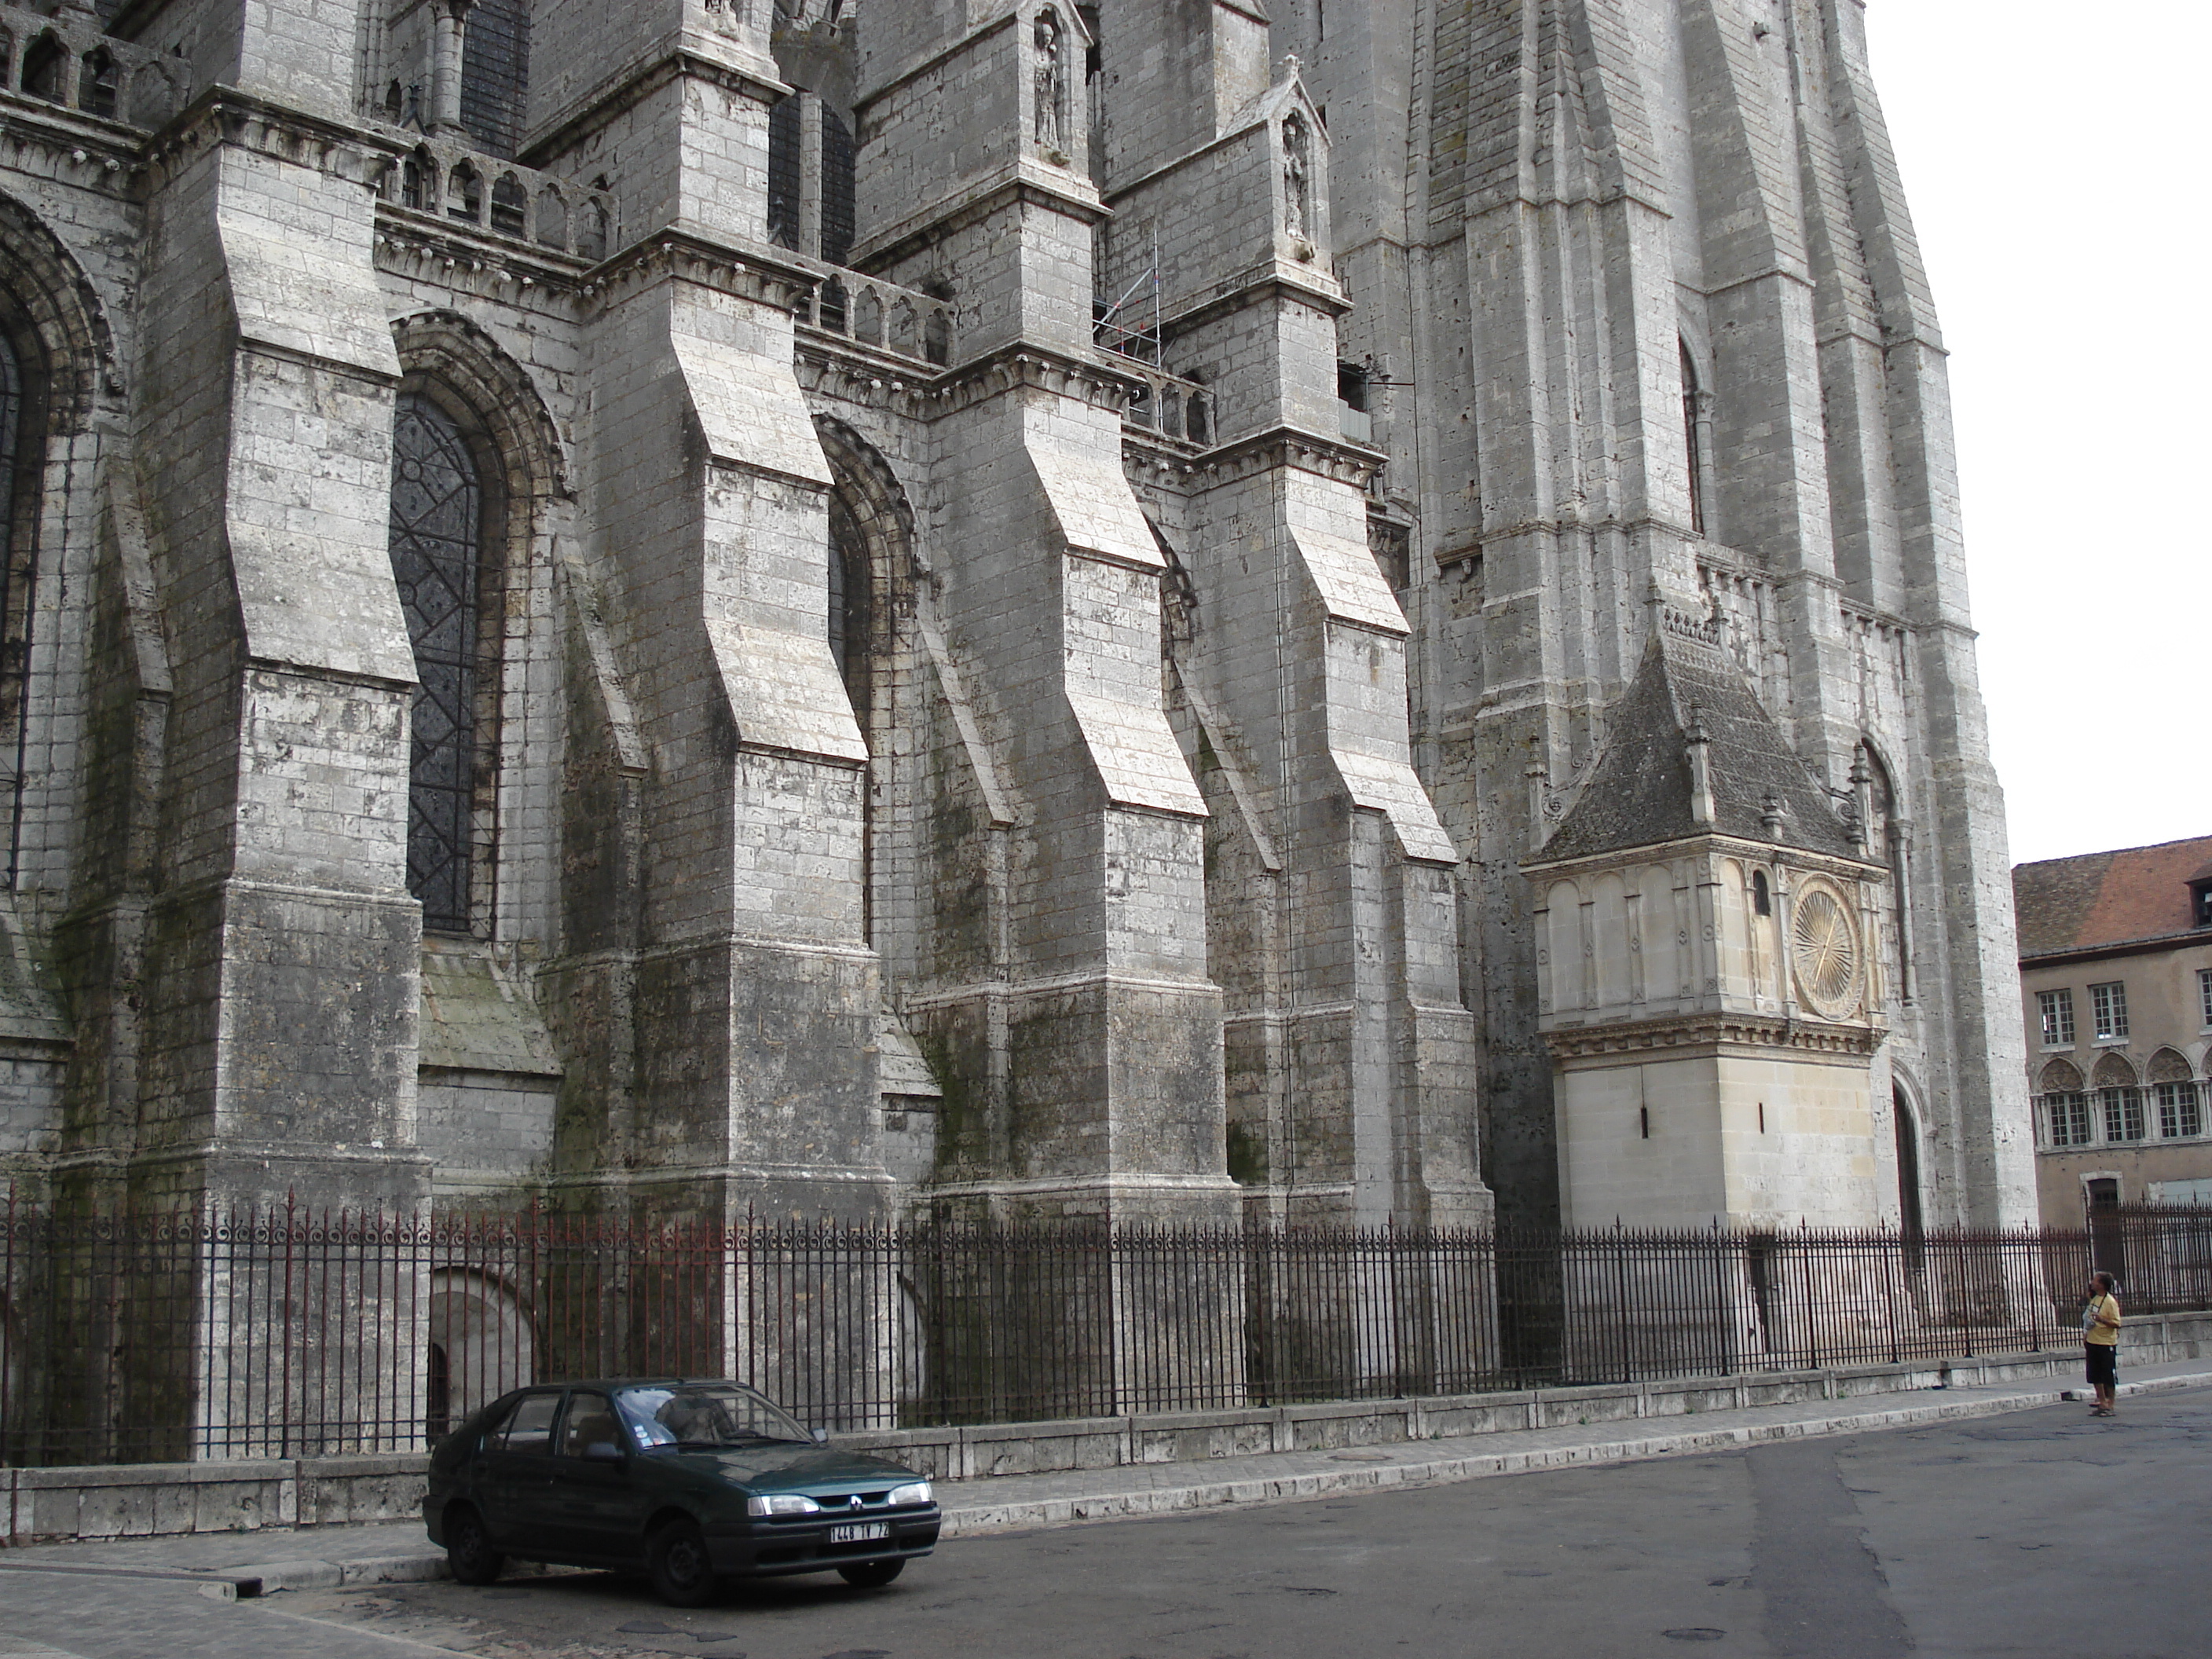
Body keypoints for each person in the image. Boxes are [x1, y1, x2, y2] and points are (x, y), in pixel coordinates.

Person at [2082, 1270, 2121, 1416]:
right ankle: (2102, 1401)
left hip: (2106, 1343)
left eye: (2095, 1280)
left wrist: (2102, 1320)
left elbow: (2117, 1323)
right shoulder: (2095, 1299)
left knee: (2107, 1374)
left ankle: (2110, 1404)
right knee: (2095, 1374)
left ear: (2102, 1284)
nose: (2092, 1282)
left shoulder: (2110, 1302)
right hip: (2093, 1340)